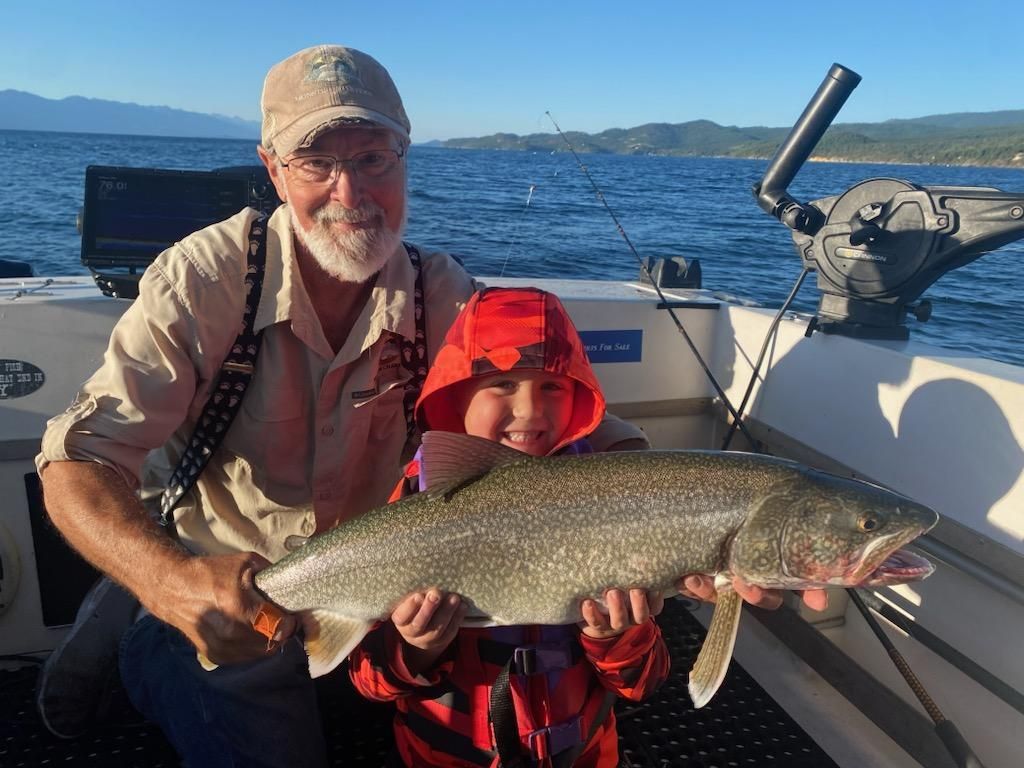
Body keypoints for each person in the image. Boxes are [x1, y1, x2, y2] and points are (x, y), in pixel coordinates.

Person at [32, 44, 650, 766]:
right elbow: (75, 462)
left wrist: (688, 538)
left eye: (373, 160)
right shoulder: (204, 281)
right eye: (316, 163)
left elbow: (589, 439)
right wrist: (172, 586)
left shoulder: (443, 294)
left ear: (405, 159)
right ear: (272, 169)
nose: (349, 192)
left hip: (383, 597)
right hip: (239, 591)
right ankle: (133, 630)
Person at [350, 287, 670, 767]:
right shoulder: (416, 502)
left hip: (580, 754)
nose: (529, 411)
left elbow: (645, 681)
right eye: (501, 384)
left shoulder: (609, 502)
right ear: (455, 395)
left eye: (553, 387)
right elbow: (367, 680)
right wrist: (414, 650)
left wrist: (615, 637)